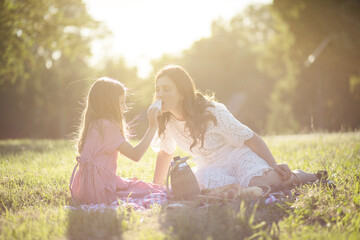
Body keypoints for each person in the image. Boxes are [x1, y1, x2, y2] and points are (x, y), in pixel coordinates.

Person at [151, 65, 318, 190]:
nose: (159, 94)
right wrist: (156, 188)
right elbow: (165, 153)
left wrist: (273, 165)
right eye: (157, 89)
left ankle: (299, 176)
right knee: (199, 184)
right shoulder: (165, 122)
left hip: (237, 157)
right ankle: (243, 188)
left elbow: (250, 138)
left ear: (182, 93)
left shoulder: (211, 112)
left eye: (167, 89)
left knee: (259, 183)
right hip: (209, 167)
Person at [69, 77, 164, 205]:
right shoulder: (106, 126)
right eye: (121, 103)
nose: (124, 107)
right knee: (153, 191)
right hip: (99, 191)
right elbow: (136, 155)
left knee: (137, 186)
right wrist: (153, 127)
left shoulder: (94, 124)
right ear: (109, 104)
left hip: (87, 189)